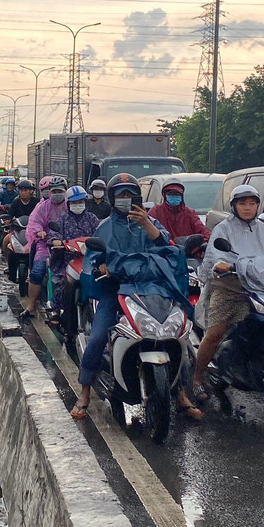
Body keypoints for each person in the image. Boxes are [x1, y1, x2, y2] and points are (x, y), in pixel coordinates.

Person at [70, 173, 201, 420]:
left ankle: (182, 392)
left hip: (153, 288)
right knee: (98, 337)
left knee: (180, 333)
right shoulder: (104, 227)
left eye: (130, 195)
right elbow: (93, 258)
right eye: (121, 195)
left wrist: (148, 226)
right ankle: (85, 391)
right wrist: (102, 267)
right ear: (112, 198)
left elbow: (168, 249)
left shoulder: (150, 223)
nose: (126, 200)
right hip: (115, 289)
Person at [192, 183, 264, 399]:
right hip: (230, 287)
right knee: (215, 332)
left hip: (262, 288)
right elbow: (212, 258)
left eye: (252, 203)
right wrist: (221, 265)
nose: (247, 207)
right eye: (242, 203)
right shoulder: (223, 229)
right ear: (234, 206)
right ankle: (197, 378)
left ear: (257, 206)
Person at [46, 186, 101, 327]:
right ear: (69, 204)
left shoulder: (92, 219)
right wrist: (56, 241)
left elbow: (101, 234)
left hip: (90, 260)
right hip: (68, 259)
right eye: (75, 203)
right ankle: (56, 310)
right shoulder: (63, 220)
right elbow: (53, 235)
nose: (78, 205)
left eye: (81, 202)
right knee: (63, 285)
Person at [22, 176, 69, 321]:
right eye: (53, 191)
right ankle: (32, 304)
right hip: (46, 245)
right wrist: (39, 232)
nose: (57, 194)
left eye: (59, 191)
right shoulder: (43, 206)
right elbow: (35, 222)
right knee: (37, 272)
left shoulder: (70, 205)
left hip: (68, 245)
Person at [1, 179, 41, 280]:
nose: (23, 193)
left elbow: (41, 216)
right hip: (18, 231)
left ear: (31, 191)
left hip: (33, 232)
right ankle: (8, 263)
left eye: (26, 190)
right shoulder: (16, 202)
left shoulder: (37, 202)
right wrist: (8, 221)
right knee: (6, 241)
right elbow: (10, 214)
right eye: (21, 190)